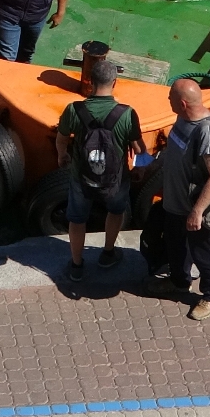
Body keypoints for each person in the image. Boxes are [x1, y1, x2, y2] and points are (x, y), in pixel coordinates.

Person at [140, 78, 210, 320]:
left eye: (170, 97)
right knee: (175, 245)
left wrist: (197, 211)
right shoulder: (182, 119)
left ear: (182, 103)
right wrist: (150, 166)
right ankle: (179, 282)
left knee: (203, 252)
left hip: (192, 207)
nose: (167, 100)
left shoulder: (207, 132)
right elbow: (172, 150)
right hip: (174, 203)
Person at [55, 57, 145, 281]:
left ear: (89, 82)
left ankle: (76, 266)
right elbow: (139, 148)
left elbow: (62, 139)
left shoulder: (74, 110)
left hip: (81, 178)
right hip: (116, 180)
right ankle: (107, 254)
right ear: (115, 82)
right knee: (115, 212)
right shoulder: (127, 113)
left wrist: (62, 156)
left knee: (77, 219)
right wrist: (140, 169)